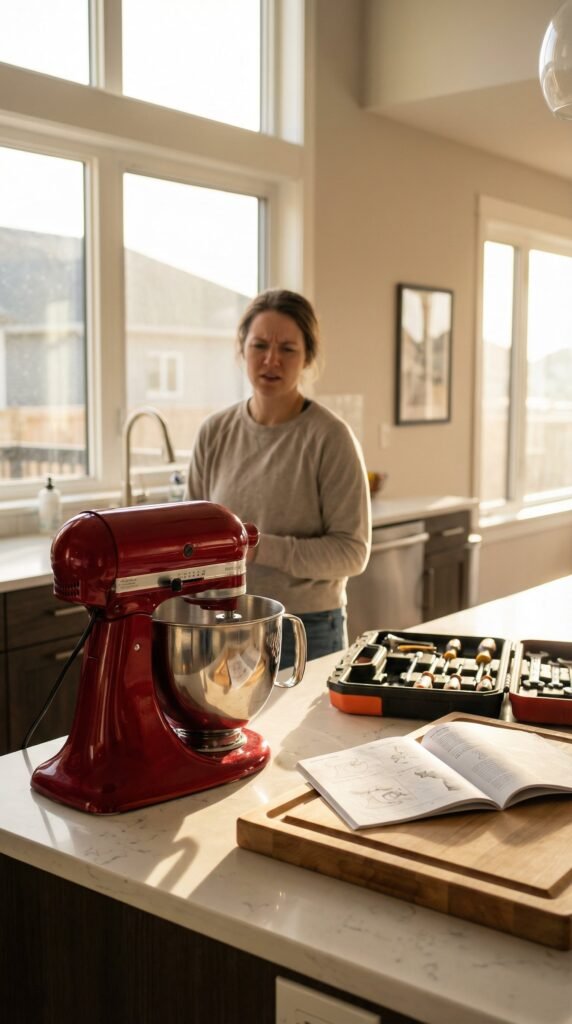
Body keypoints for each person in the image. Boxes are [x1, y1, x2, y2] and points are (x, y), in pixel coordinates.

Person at [186, 288, 371, 665]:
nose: (271, 359)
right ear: (243, 350)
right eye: (260, 346)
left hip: (305, 627)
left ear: (307, 358)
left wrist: (257, 547)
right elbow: (193, 540)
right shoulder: (214, 432)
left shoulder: (330, 438)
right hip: (225, 623)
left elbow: (352, 553)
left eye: (287, 348)